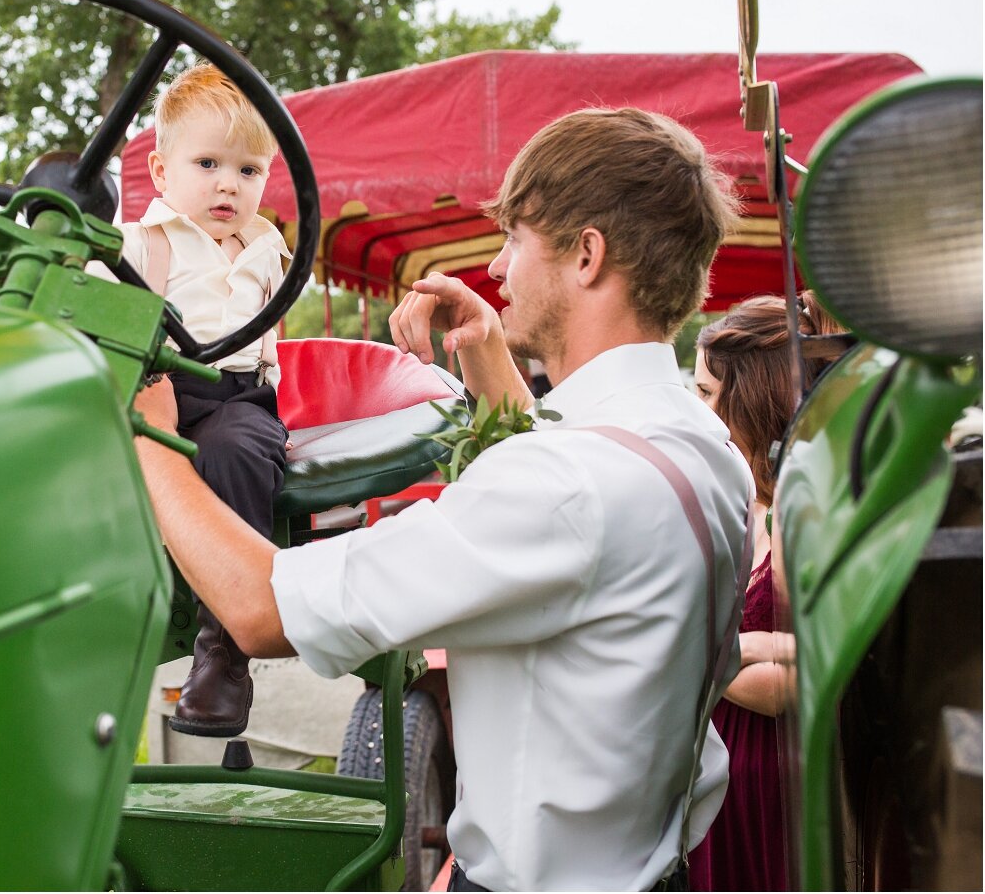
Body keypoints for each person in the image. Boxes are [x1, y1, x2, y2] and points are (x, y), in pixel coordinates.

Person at [133, 107, 754, 891]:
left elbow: (261, 610)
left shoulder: (567, 488)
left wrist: (151, 438)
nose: (498, 269)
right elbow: (572, 499)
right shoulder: (702, 447)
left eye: (517, 240)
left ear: (587, 255)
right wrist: (488, 350)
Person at [104, 63, 290, 737]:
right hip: (159, 388)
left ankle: (225, 649)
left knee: (235, 448)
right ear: (160, 172)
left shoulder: (267, 246)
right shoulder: (134, 245)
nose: (226, 185)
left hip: (237, 398)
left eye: (247, 171)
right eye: (208, 162)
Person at [689, 290, 842, 892]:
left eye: (705, 392)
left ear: (747, 398)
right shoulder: (751, 497)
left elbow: (795, 683)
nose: (695, 407)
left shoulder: (803, 512)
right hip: (726, 762)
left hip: (768, 779)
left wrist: (675, 652)